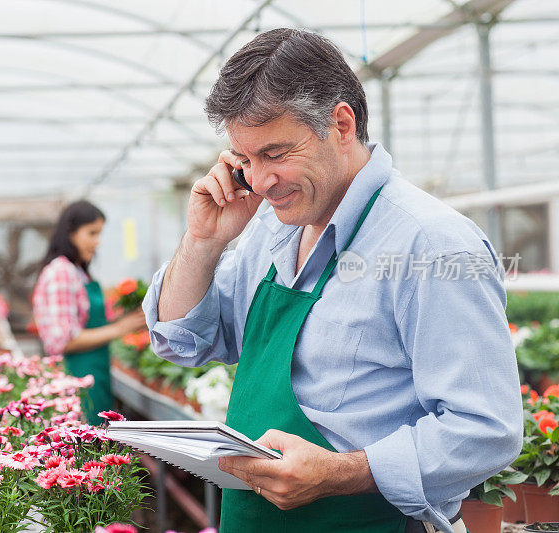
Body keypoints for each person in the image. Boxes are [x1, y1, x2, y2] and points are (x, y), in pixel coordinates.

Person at [143, 28, 522, 533]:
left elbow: (485, 428)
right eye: (245, 160)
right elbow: (183, 341)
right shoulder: (268, 227)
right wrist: (204, 240)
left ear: (341, 124)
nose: (258, 180)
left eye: (275, 153)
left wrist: (341, 473)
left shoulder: (430, 243)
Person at [33, 200, 145, 425]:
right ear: (70, 233)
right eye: (91, 233)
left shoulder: (77, 272)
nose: (97, 242)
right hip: (76, 381)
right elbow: (62, 341)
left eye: (99, 234)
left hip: (95, 377)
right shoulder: (61, 272)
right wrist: (119, 329)